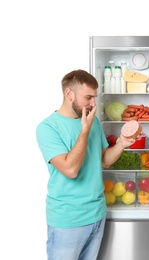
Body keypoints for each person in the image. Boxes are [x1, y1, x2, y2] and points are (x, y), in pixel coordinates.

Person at [36, 69, 136, 260]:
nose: (93, 104)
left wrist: (122, 142)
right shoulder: (48, 128)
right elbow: (70, 169)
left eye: (94, 98)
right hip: (68, 219)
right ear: (69, 94)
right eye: (88, 97)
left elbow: (103, 161)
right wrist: (84, 130)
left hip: (97, 214)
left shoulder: (93, 122)